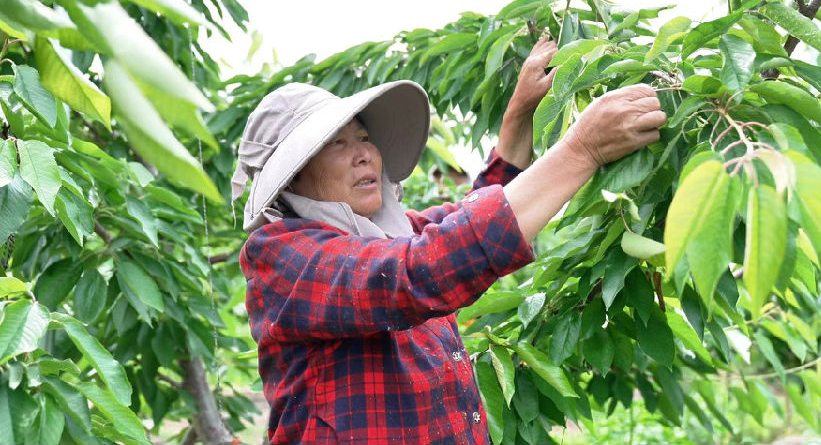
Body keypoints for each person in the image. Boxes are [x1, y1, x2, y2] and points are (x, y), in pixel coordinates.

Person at [232, 36, 666, 445]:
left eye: (364, 137)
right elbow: (422, 268)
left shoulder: (386, 234)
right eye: (337, 144)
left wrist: (517, 119)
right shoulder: (282, 256)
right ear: (294, 177)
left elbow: (460, 222)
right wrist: (581, 151)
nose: (364, 153)